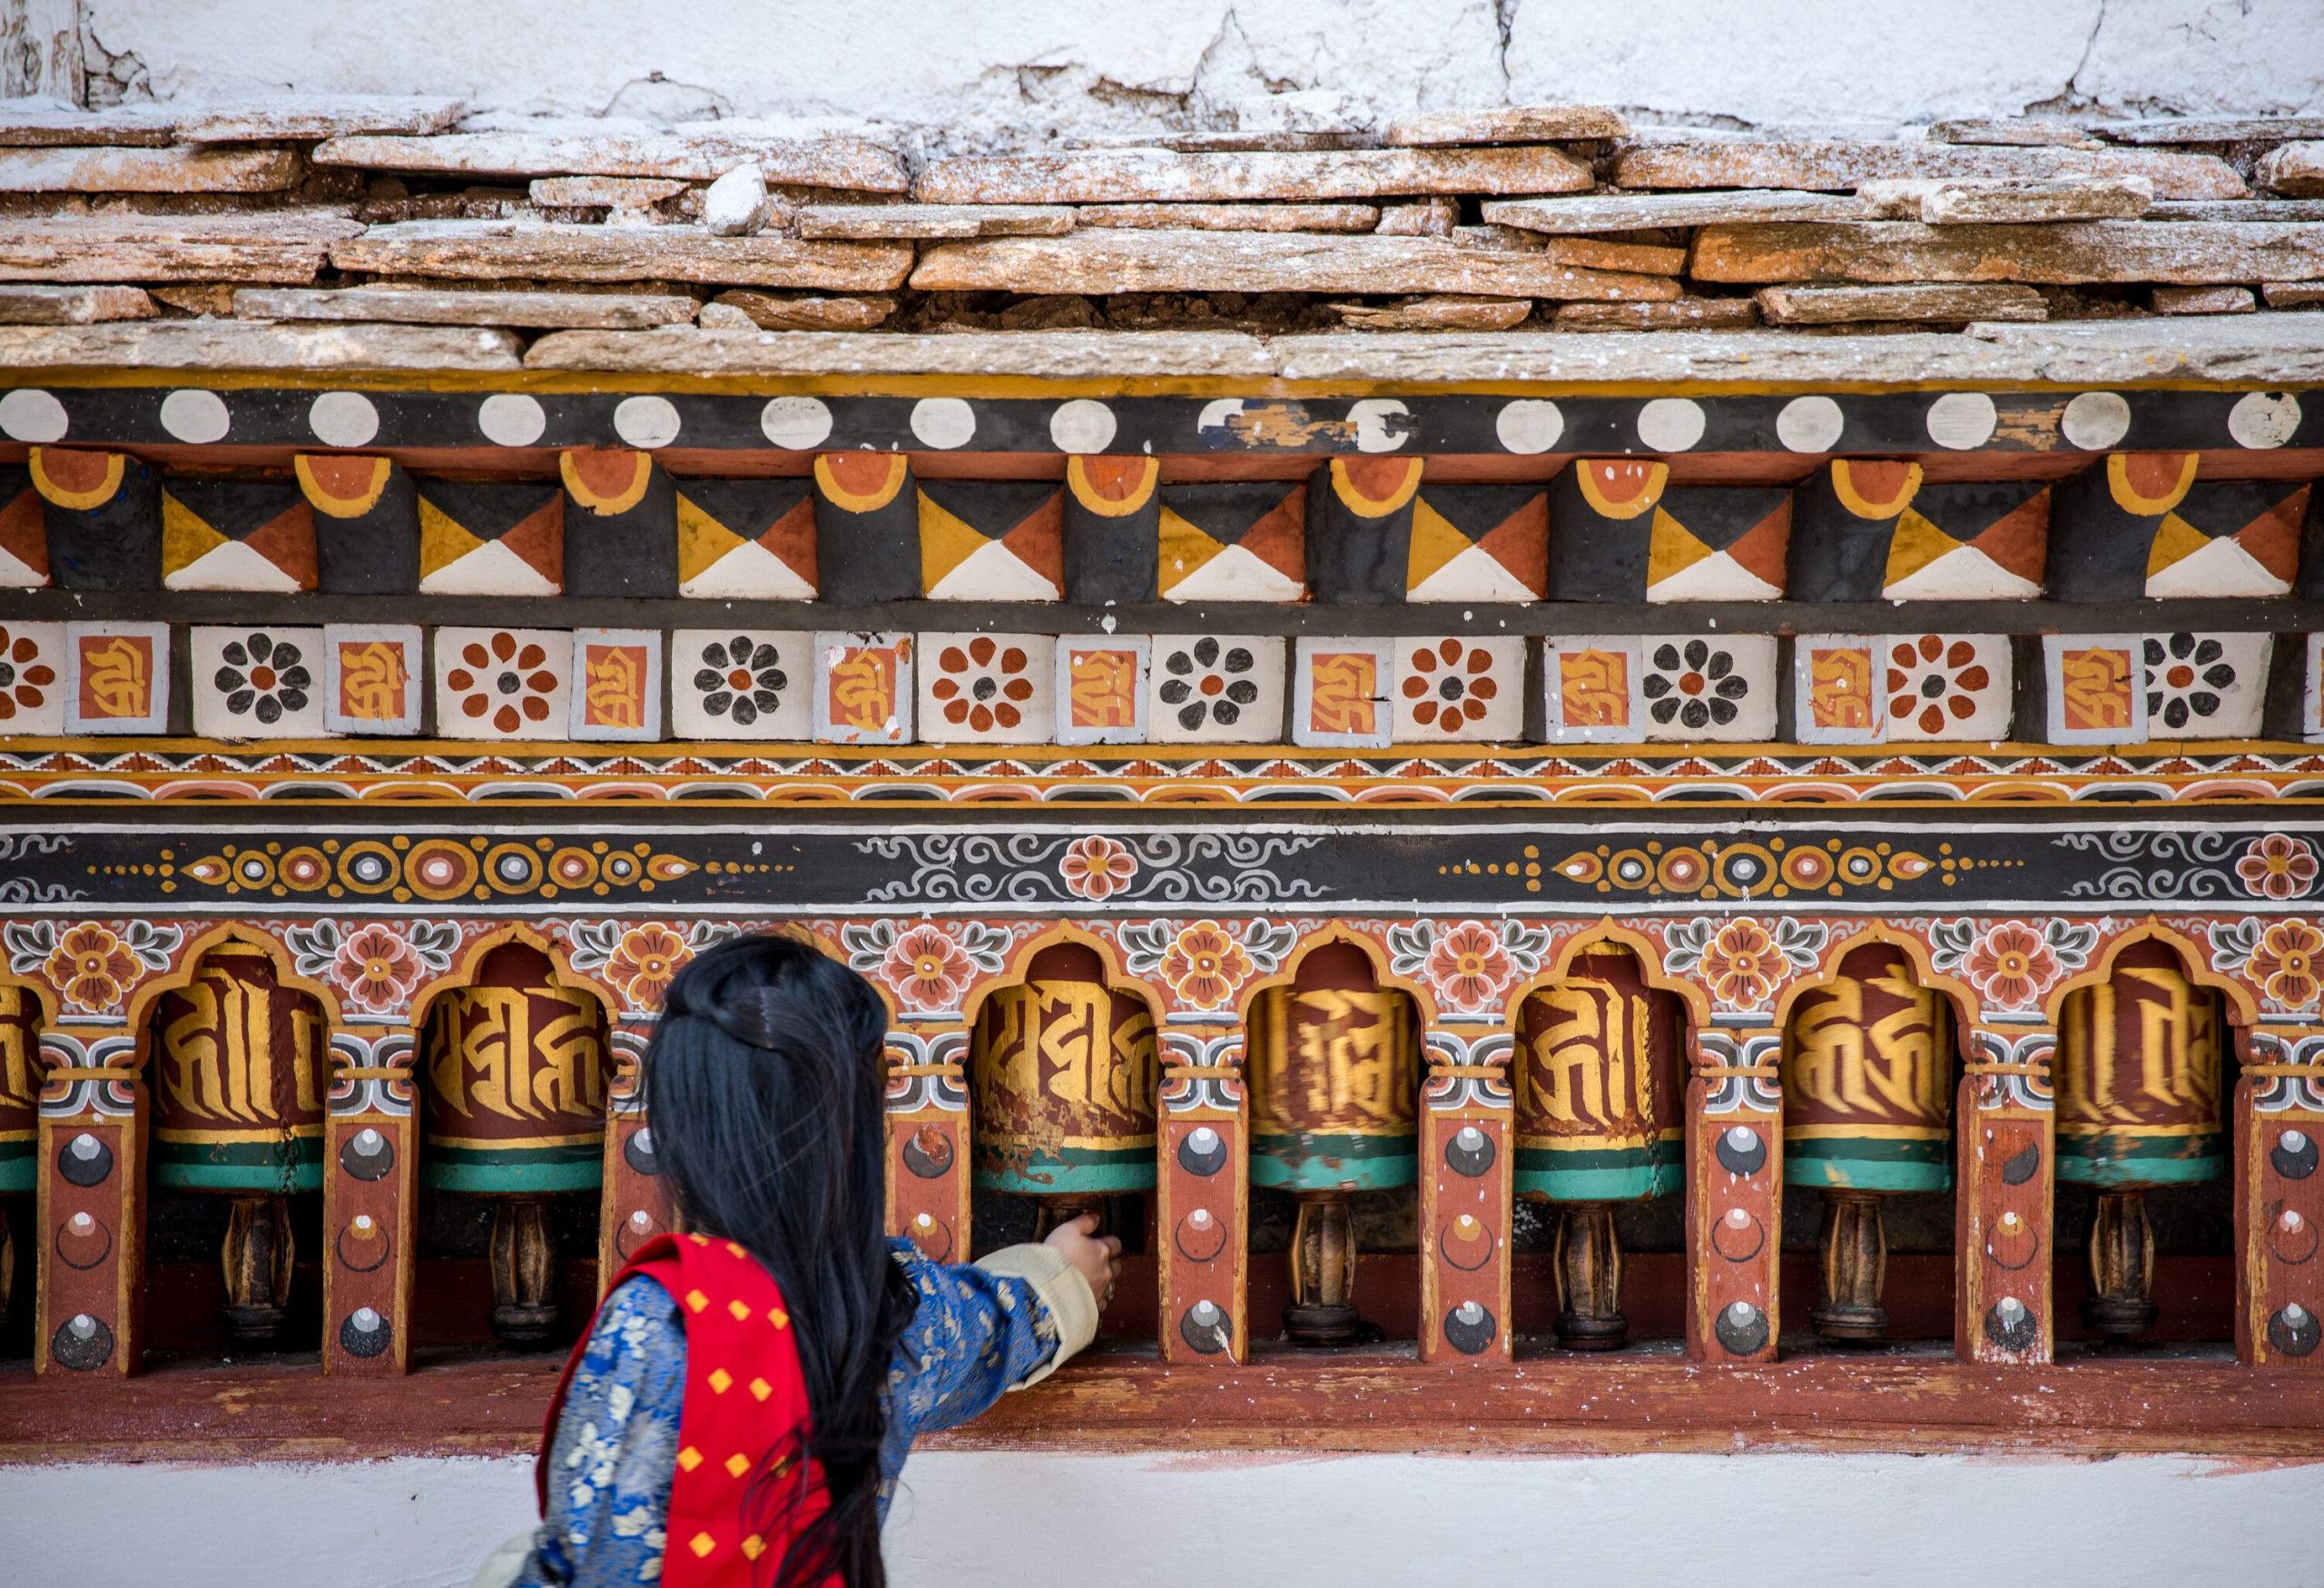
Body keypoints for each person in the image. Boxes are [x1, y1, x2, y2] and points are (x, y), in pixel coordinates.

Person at [477, 932, 1121, 1588]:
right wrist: (1066, 1270)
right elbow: (1001, 1321)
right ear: (857, 1137)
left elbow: (591, 1554)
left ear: (678, 1127)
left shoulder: (657, 1319)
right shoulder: (894, 1308)